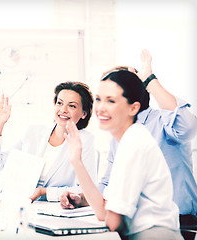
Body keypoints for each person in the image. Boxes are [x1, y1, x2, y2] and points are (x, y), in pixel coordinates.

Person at [61, 50, 197, 240]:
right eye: (100, 98)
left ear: (133, 102)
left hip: (178, 223)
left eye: (112, 98)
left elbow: (189, 127)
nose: (101, 108)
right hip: (138, 226)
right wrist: (82, 199)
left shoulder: (154, 126)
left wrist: (148, 79)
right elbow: (107, 187)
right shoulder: (123, 137)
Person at [0, 82, 97, 202]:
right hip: (22, 206)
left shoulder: (85, 140)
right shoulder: (33, 132)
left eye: (72, 106)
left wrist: (44, 192)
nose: (63, 110)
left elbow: (88, 190)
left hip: (56, 211)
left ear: (84, 114)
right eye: (59, 103)